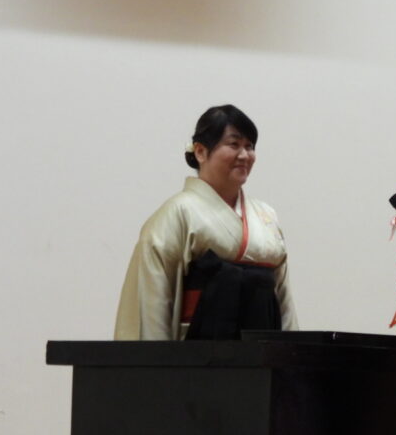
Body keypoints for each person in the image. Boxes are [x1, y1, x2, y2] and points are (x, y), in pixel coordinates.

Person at [115, 104, 297, 340]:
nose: (244, 155)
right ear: (200, 151)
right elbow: (152, 301)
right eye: (234, 144)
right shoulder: (178, 213)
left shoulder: (266, 216)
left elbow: (284, 301)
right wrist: (156, 358)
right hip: (198, 351)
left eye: (249, 146)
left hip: (262, 351)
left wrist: (290, 353)